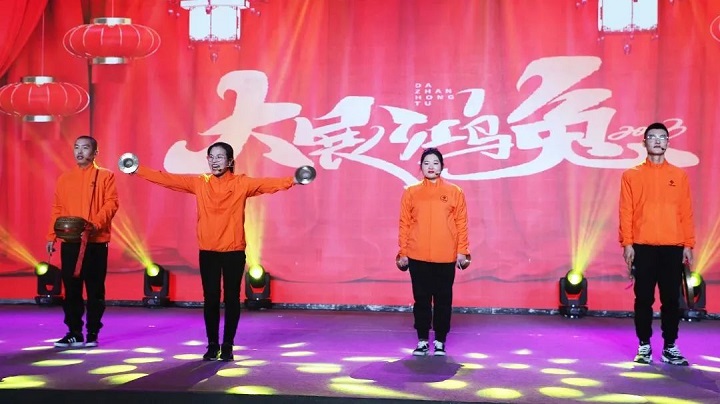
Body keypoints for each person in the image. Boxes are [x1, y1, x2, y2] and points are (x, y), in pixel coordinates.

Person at [129, 141, 308, 361]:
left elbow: (267, 184)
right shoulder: (200, 183)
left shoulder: (242, 183)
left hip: (233, 251)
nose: (214, 161)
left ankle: (228, 345)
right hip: (208, 252)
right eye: (211, 157)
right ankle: (212, 345)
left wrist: (293, 180)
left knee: (232, 299)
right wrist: (138, 169)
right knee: (211, 299)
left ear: (230, 161)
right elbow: (168, 180)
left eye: (220, 157)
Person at [619, 122, 695, 366]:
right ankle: (644, 345)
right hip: (643, 246)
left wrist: (688, 243)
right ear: (644, 142)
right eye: (652, 137)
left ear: (668, 142)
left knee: (671, 300)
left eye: (662, 137)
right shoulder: (631, 175)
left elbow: (685, 212)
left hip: (673, 246)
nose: (658, 141)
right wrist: (627, 243)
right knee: (643, 299)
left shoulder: (679, 176)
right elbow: (626, 211)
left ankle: (670, 346)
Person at [47, 136, 120, 348]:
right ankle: (74, 332)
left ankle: (93, 332)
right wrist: (51, 236)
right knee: (71, 289)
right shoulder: (65, 178)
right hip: (70, 242)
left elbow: (111, 204)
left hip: (96, 242)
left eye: (85, 148)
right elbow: (57, 209)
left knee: (95, 289)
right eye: (76, 147)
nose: (80, 152)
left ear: (95, 152)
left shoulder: (105, 176)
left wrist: (95, 224)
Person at [397, 148, 470, 356]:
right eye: (426, 163)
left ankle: (440, 340)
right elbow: (404, 223)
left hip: (445, 255)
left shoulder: (455, 191)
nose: (431, 166)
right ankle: (422, 340)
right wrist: (403, 252)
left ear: (442, 166)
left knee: (443, 300)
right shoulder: (411, 192)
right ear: (420, 167)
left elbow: (461, 223)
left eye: (435, 163)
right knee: (421, 300)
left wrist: (462, 250)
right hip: (417, 254)